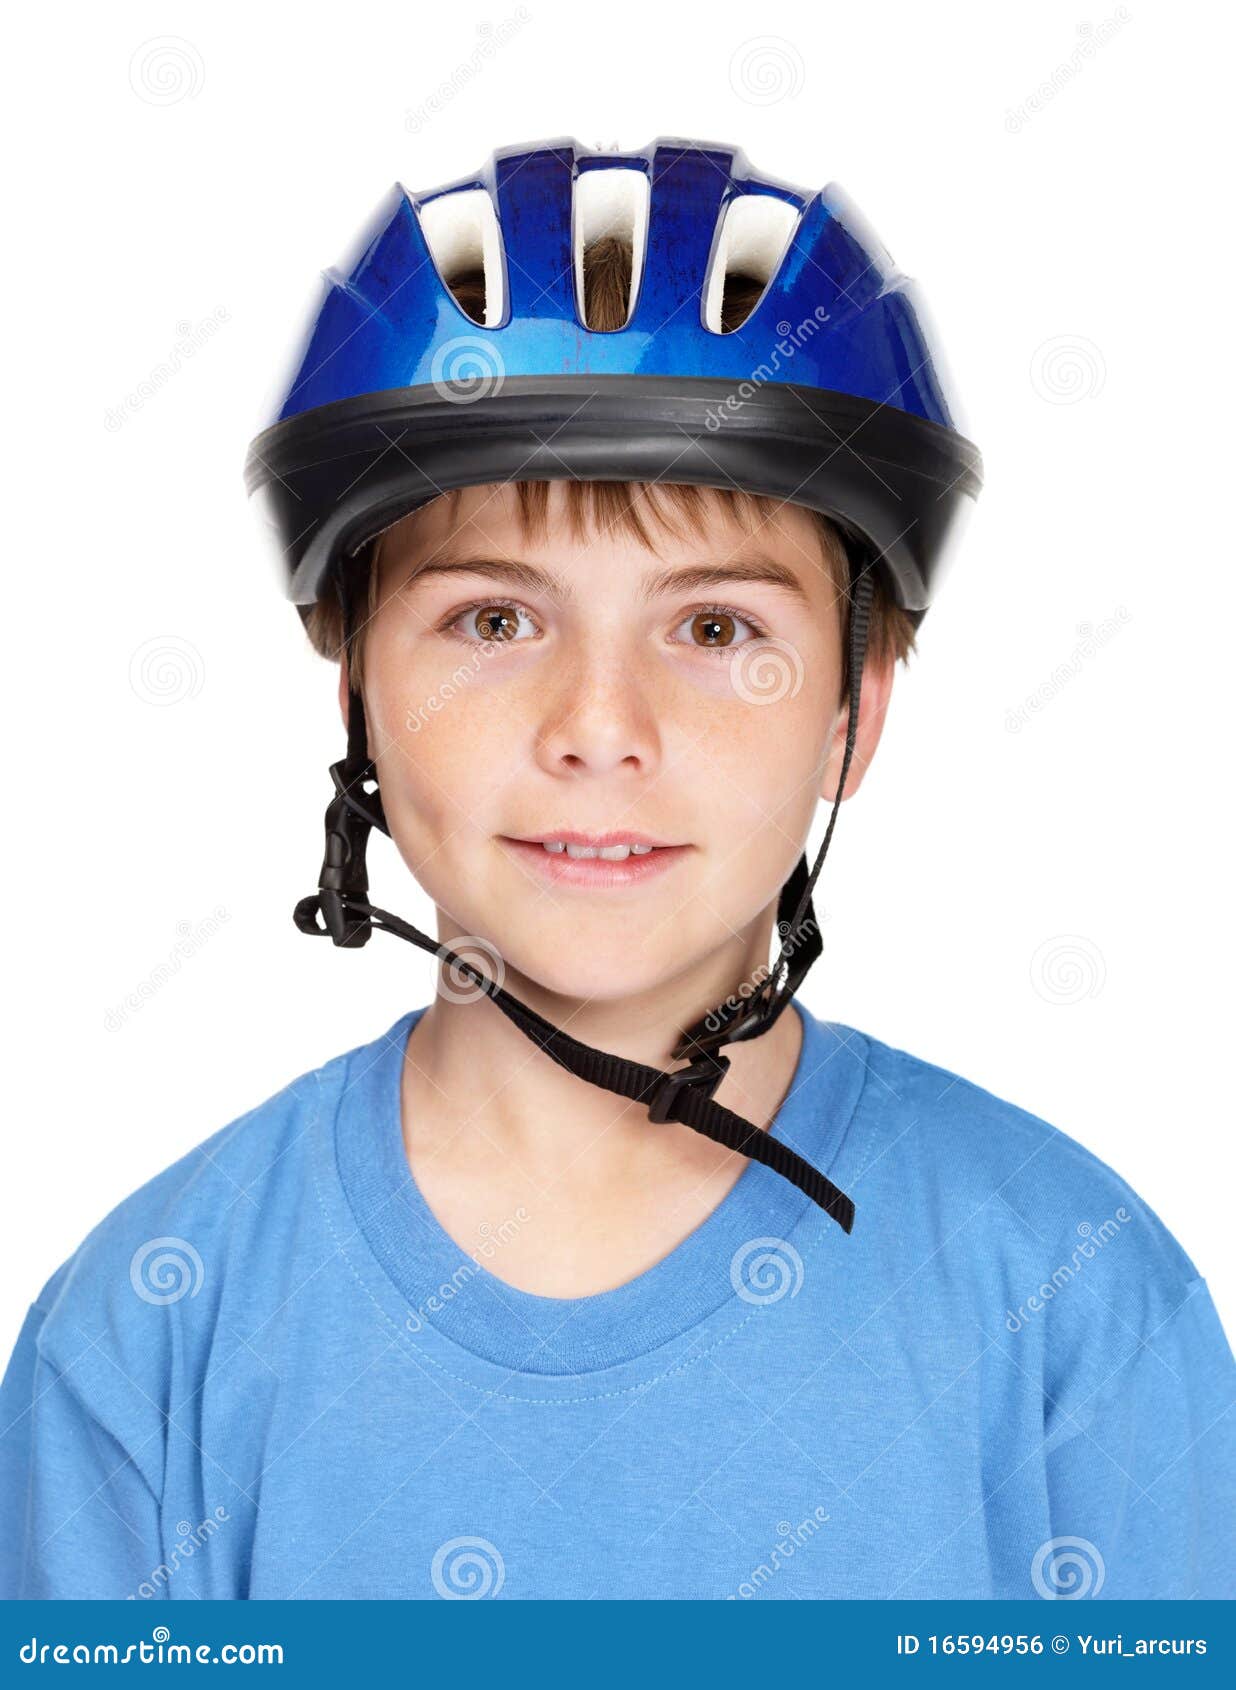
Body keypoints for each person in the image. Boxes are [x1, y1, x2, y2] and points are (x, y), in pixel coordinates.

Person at [2, 137, 1232, 1602]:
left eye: (714, 630)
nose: (600, 728)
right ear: (356, 699)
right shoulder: (149, 1342)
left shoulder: (1074, 1304)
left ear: (855, 709)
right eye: (492, 622)